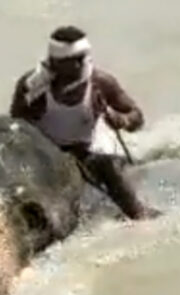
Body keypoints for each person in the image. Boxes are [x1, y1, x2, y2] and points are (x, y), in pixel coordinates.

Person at [10, 25, 161, 220]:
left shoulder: (100, 82)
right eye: (58, 64)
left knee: (108, 166)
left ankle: (139, 216)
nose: (82, 65)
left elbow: (137, 117)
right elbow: (13, 129)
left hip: (88, 151)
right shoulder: (32, 86)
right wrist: (27, 111)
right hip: (47, 153)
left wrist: (122, 119)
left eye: (76, 62)